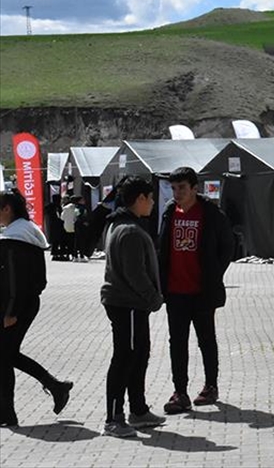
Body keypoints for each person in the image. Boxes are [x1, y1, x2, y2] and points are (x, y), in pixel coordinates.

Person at [158, 167, 235, 415]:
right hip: (175, 291)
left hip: (202, 291)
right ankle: (180, 392)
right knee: (177, 343)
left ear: (194, 188)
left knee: (206, 340)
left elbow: (228, 246)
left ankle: (211, 386)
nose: (177, 193)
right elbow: (163, 246)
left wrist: (214, 274)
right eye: (173, 188)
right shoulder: (170, 211)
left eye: (182, 188)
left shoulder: (210, 213)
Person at [0, 191, 73, 428]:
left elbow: (13, 279)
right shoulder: (27, 231)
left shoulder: (14, 238)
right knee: (7, 355)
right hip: (27, 302)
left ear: (7, 209)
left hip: (15, 306)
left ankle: (7, 414)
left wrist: (10, 312)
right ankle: (55, 386)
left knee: (4, 357)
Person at [101, 177, 166, 437]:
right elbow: (134, 273)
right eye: (150, 198)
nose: (152, 203)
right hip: (126, 303)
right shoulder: (128, 229)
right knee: (124, 358)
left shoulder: (126, 224)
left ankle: (138, 410)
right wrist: (153, 297)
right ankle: (113, 418)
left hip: (133, 305)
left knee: (139, 355)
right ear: (140, 198)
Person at [60, 196, 80, 262]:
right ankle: (74, 255)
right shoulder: (76, 208)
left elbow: (62, 218)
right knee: (74, 241)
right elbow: (77, 216)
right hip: (74, 226)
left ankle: (68, 254)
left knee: (68, 241)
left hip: (66, 226)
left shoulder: (65, 208)